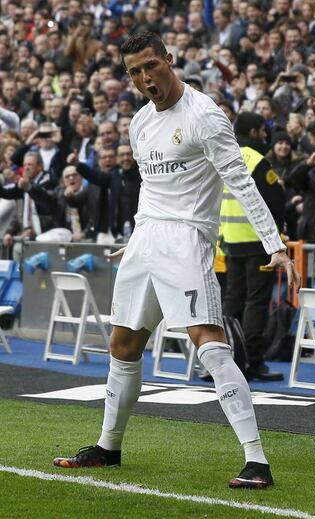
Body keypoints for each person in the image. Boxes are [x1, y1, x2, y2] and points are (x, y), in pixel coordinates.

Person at [54, 32, 300, 490]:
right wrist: (138, 235)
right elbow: (151, 187)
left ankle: (257, 461)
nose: (146, 77)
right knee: (123, 345)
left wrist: (276, 245)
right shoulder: (140, 123)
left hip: (187, 240)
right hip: (146, 237)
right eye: (134, 72)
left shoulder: (205, 116)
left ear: (169, 60)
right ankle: (109, 447)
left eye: (151, 65)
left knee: (208, 343)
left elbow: (241, 183)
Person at [221, 112, 286, 381]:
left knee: (232, 302)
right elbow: (275, 200)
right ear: (256, 131)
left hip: (230, 242)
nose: (265, 135)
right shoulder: (257, 161)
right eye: (263, 130)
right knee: (256, 302)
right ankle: (253, 361)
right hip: (257, 243)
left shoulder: (225, 156)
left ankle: (227, 358)